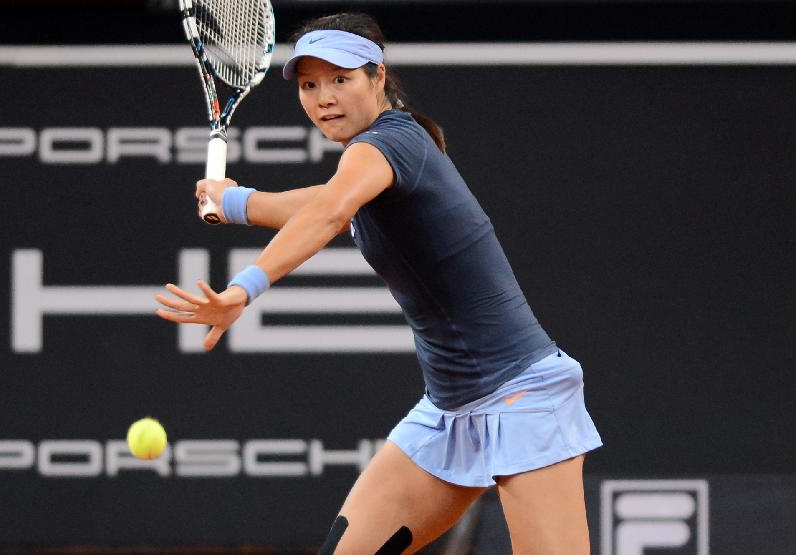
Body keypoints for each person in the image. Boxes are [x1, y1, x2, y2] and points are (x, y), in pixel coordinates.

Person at [155, 12, 602, 554]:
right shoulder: (376, 160)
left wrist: (242, 289)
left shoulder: (389, 144)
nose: (324, 98)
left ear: (377, 77)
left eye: (340, 79)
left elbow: (329, 212)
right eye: (309, 85)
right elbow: (329, 205)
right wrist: (234, 202)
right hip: (447, 410)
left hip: (523, 397)